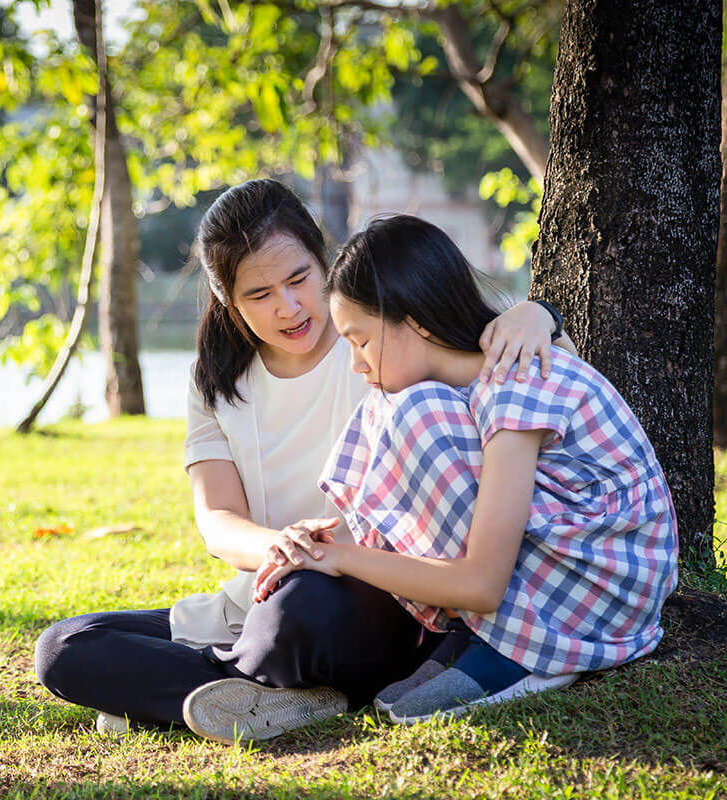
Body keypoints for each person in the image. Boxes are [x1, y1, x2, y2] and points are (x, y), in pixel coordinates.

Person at [35, 181, 568, 743]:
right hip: (265, 595)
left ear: (324, 262)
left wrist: (538, 314)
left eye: (299, 279)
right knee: (64, 648)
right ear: (228, 302)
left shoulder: (377, 332)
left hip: (381, 594)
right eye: (259, 294)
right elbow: (217, 519)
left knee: (297, 614)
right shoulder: (217, 382)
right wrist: (284, 547)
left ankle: (172, 694)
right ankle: (270, 695)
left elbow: (510, 350)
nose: (289, 308)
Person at [252, 214, 679, 725]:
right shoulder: (478, 379)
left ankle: (529, 653)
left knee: (412, 411)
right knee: (391, 405)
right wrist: (325, 538)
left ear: (415, 321)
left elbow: (482, 585)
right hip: (562, 560)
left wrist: (341, 558)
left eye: (360, 340)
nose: (355, 363)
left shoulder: (512, 385)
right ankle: (483, 633)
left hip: (603, 595)